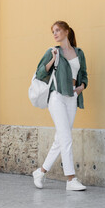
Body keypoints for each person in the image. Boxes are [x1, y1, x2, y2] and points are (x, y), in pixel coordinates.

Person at [32, 20, 88, 191]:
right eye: (53, 32)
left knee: (61, 138)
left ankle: (40, 172)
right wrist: (53, 59)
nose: (55, 34)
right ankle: (71, 179)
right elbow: (40, 72)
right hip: (56, 96)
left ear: (66, 31)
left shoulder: (79, 52)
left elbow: (84, 75)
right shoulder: (53, 51)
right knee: (66, 137)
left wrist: (81, 87)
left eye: (57, 30)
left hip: (72, 96)